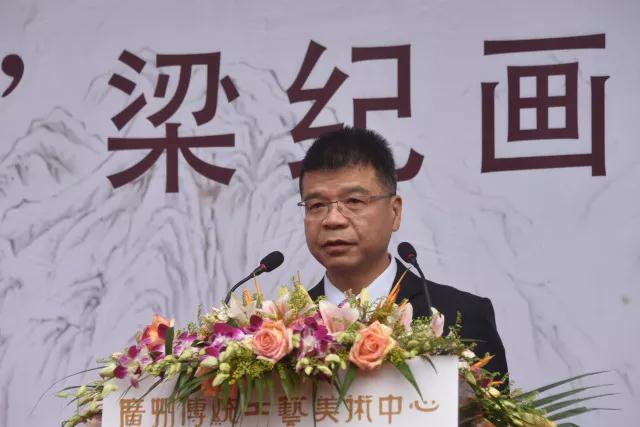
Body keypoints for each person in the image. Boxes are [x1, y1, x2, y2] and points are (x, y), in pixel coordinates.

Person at [298, 127, 508, 378]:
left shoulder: (460, 316)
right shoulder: (283, 326)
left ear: (395, 212)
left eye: (353, 201)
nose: (333, 220)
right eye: (317, 205)